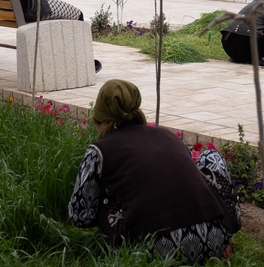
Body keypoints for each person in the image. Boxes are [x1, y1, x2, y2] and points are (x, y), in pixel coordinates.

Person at [69, 80, 241, 263]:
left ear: (102, 122)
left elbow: (80, 217)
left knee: (106, 198)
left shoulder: (99, 151)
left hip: (158, 248)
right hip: (215, 238)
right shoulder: (167, 135)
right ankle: (220, 247)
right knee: (210, 158)